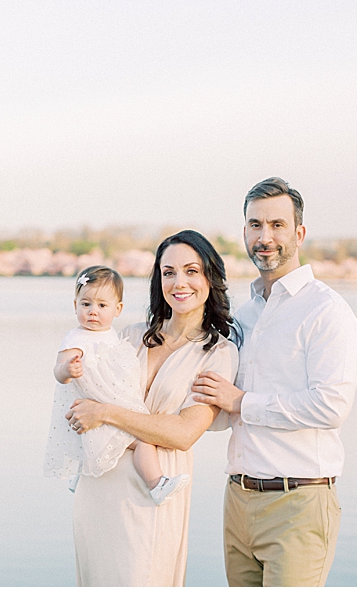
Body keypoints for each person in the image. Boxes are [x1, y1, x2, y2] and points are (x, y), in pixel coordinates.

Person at [192, 177, 357, 587]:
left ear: (299, 233)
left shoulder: (326, 311)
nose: (264, 237)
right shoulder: (243, 317)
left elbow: (331, 406)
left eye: (277, 225)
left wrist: (242, 402)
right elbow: (220, 405)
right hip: (238, 500)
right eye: (255, 225)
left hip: (298, 502)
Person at [63, 230, 240, 586]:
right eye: (168, 272)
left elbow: (183, 433)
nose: (179, 282)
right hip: (98, 487)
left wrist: (106, 414)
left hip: (153, 491)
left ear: (210, 277)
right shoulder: (130, 335)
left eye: (191, 271)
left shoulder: (218, 353)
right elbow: (82, 395)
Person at [43, 265, 191, 506]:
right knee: (143, 441)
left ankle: (81, 475)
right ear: (75, 305)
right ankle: (157, 483)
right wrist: (67, 369)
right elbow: (58, 372)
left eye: (102, 305)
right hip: (95, 405)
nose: (93, 311)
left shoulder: (112, 335)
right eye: (86, 304)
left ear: (117, 309)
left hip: (110, 403)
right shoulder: (76, 338)